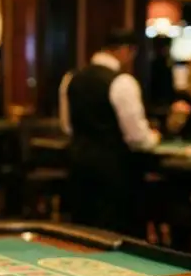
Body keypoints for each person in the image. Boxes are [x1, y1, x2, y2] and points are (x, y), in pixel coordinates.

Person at [59, 29, 160, 234]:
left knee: (83, 233)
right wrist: (154, 137)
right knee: (116, 234)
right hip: (114, 173)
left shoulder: (71, 78)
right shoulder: (122, 82)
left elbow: (67, 126)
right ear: (125, 50)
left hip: (78, 166)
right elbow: (137, 138)